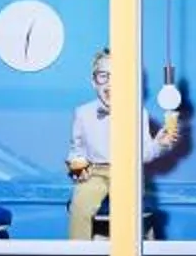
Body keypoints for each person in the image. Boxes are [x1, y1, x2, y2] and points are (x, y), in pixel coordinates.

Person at [67, 48, 181, 241]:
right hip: (94, 172)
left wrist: (160, 144)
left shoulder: (138, 112)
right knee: (80, 206)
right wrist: (77, 169)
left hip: (127, 171)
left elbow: (144, 153)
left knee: (130, 209)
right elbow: (76, 148)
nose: (111, 83)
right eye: (104, 76)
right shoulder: (82, 113)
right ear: (94, 81)